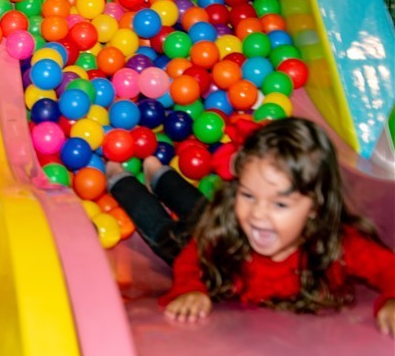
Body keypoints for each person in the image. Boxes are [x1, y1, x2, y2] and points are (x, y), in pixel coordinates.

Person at [106, 117, 395, 335]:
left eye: (279, 204)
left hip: (223, 227)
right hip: (211, 241)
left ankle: (158, 174)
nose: (258, 214)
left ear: (315, 208)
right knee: (170, 232)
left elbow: (387, 267)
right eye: (248, 195)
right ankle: (125, 179)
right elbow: (191, 259)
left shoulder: (338, 244)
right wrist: (191, 289)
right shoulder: (227, 227)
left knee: (200, 210)